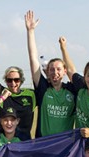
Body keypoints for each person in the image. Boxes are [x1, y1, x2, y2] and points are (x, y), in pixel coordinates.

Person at [25, 10, 75, 138]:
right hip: (43, 144)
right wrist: (30, 32)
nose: (55, 72)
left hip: (64, 145)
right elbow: (33, 59)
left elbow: (74, 72)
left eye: (58, 69)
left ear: (64, 71)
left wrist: (63, 48)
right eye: (51, 69)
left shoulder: (72, 90)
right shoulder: (43, 88)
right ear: (47, 72)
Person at [0, 44, 36, 140]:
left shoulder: (31, 95)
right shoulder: (2, 93)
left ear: (21, 80)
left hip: (24, 142)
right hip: (3, 143)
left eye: (16, 80)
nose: (13, 83)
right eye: (9, 80)